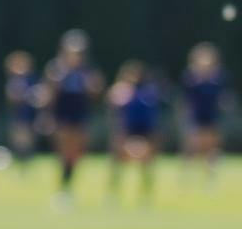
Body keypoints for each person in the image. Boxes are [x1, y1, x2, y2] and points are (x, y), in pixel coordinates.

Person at [44, 30, 101, 204]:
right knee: (63, 152)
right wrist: (48, 116)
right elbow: (50, 95)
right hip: (62, 115)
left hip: (79, 114)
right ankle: (63, 187)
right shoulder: (56, 69)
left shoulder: (87, 71)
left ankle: (68, 186)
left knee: (75, 153)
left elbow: (96, 91)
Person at [107, 60, 162, 203]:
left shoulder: (148, 91)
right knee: (118, 162)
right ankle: (113, 193)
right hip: (126, 131)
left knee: (146, 164)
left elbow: (153, 114)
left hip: (144, 131)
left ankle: (146, 194)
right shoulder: (121, 90)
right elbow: (114, 107)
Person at [179, 42, 227, 182]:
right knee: (191, 147)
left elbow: (220, 97)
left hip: (212, 117)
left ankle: (210, 177)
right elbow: (186, 99)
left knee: (212, 148)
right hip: (195, 117)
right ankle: (186, 175)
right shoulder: (190, 78)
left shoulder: (218, 78)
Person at [3, 50, 41, 166]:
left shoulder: (32, 79)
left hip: (30, 114)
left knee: (29, 139)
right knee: (18, 139)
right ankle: (19, 160)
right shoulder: (13, 80)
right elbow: (11, 97)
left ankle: (27, 160)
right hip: (18, 114)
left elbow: (39, 94)